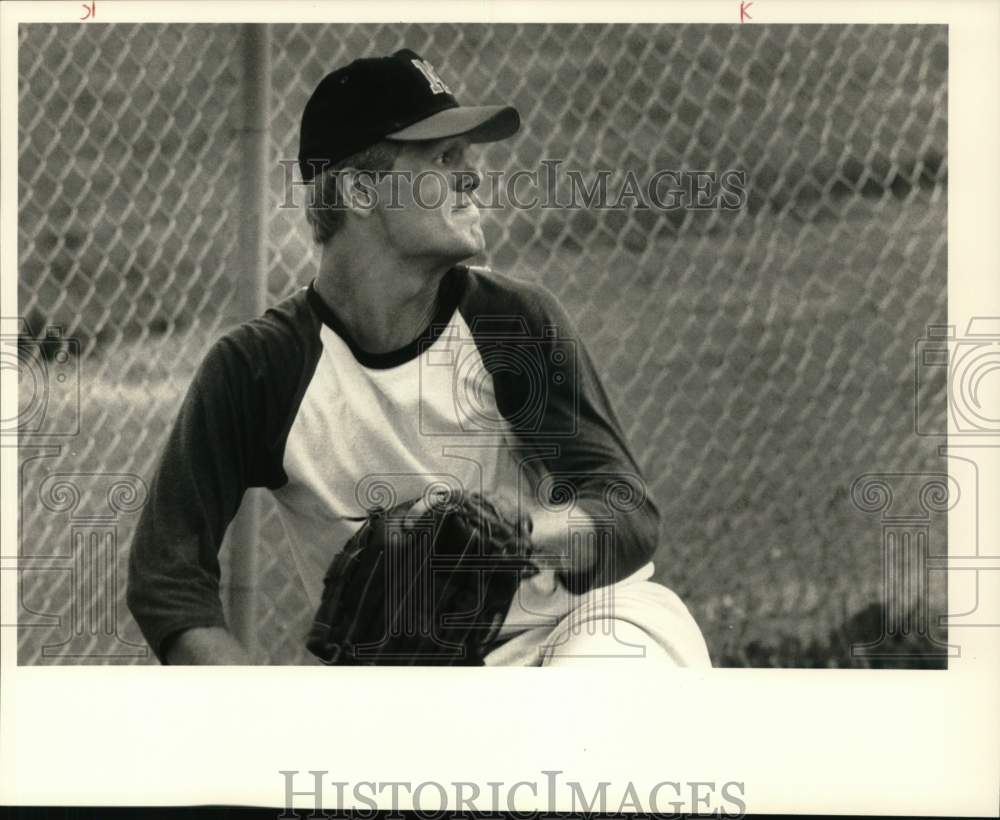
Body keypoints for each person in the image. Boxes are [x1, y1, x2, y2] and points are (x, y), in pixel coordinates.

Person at [126, 48, 710, 667]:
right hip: (413, 684)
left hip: (587, 629)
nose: (472, 177)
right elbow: (166, 579)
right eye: (442, 157)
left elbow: (628, 511)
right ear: (358, 190)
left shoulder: (508, 322)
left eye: (467, 156)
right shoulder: (260, 369)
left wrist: (522, 536)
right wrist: (268, 717)